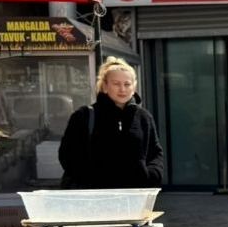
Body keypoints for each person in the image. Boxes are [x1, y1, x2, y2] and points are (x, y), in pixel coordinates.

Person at [59, 57, 163, 189]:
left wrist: (150, 176)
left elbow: (155, 154)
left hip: (134, 197)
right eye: (116, 84)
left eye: (127, 84)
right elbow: (68, 155)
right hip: (94, 199)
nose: (122, 89)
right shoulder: (84, 116)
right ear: (105, 86)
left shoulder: (144, 117)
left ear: (134, 86)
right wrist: (89, 182)